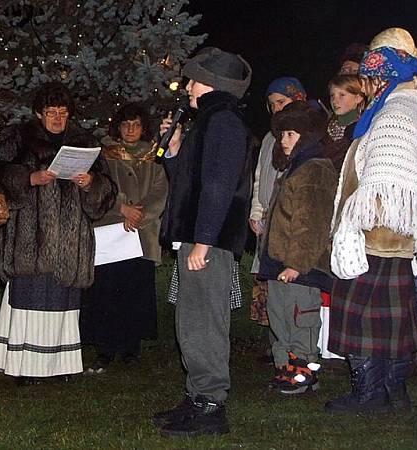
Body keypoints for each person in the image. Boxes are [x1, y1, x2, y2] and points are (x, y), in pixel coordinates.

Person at [326, 28, 417, 414]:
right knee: (391, 321)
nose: (368, 86)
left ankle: (371, 394)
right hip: (391, 237)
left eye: (370, 78)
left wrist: (356, 227)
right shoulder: (402, 105)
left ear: (383, 74)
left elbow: (388, 184)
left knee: (363, 317)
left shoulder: (396, 112)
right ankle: (393, 392)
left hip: (379, 234)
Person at [0, 82, 117, 384]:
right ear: (38, 114)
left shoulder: (85, 142)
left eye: (62, 113)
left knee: (62, 303)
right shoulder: (19, 139)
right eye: (50, 113)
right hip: (29, 239)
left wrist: (90, 183)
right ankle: (24, 367)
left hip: (70, 241)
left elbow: (108, 191)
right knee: (30, 300)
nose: (57, 119)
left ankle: (60, 366)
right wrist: (28, 178)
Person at [151, 47, 253, 438]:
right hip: (197, 239)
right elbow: (190, 185)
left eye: (193, 80)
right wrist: (174, 151)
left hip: (207, 243)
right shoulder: (207, 122)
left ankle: (211, 405)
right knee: (191, 323)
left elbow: (218, 187)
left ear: (210, 83)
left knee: (205, 324)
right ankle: (197, 397)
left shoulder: (224, 121)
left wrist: (204, 241)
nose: (188, 87)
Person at [81, 103, 168, 373]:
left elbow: (160, 191)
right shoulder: (105, 156)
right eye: (125, 125)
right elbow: (98, 186)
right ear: (118, 128)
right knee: (106, 292)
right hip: (111, 233)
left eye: (136, 125)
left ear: (144, 128)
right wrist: (122, 207)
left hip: (140, 234)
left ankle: (131, 348)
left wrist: (139, 214)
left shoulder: (154, 158)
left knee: (134, 292)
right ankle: (105, 349)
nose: (130, 130)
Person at [257, 101, 336, 394]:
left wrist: (297, 264)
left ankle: (304, 369)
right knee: (280, 316)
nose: (283, 141)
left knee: (300, 316)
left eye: (290, 134)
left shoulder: (314, 169)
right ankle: (285, 367)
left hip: (299, 267)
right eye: (281, 135)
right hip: (281, 262)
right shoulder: (296, 167)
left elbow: (311, 222)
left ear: (308, 135)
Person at [249, 77, 308, 349]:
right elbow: (261, 176)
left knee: (292, 289)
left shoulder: (304, 135)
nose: (276, 109)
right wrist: (256, 209)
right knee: (271, 287)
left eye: (282, 102)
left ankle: (298, 351)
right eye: (272, 104)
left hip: (290, 219)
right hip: (268, 218)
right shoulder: (269, 138)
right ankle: (277, 346)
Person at [324, 74, 365, 169]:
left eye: (342, 95)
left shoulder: (361, 129)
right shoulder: (325, 128)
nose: (334, 101)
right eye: (332, 95)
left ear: (358, 98)